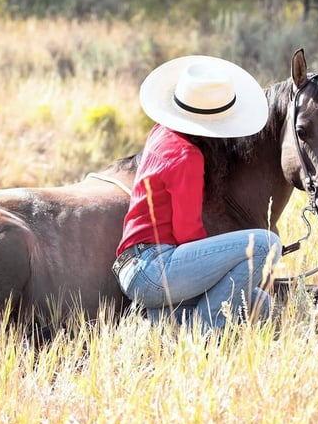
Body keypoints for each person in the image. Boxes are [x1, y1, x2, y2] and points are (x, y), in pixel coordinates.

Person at [112, 55, 281, 332]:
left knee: (259, 303)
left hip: (137, 268)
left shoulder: (162, 132)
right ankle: (202, 333)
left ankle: (160, 324)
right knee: (266, 244)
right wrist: (224, 260)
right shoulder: (187, 157)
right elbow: (187, 235)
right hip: (153, 268)